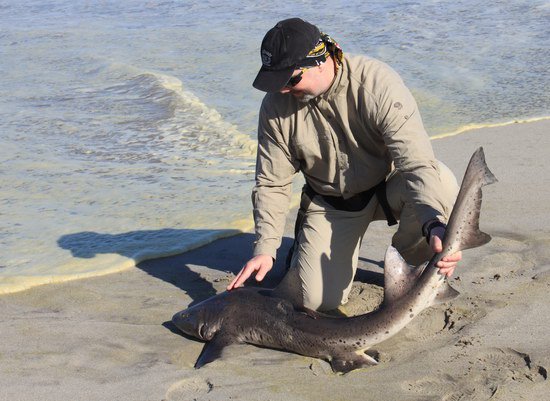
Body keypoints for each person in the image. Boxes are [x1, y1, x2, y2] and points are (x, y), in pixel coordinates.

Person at [227, 18, 461, 311]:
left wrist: (434, 223)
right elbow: (272, 183)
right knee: (315, 301)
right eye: (277, 82)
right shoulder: (276, 107)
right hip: (332, 205)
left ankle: (407, 266)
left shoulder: (377, 84)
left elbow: (416, 164)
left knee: (442, 180)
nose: (283, 90)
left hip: (388, 189)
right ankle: (307, 247)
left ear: (321, 60)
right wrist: (265, 249)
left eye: (291, 80)